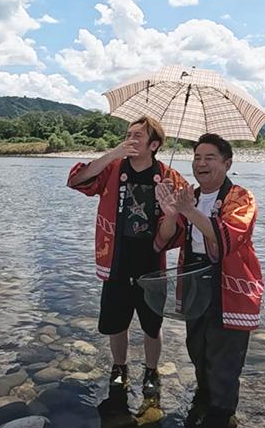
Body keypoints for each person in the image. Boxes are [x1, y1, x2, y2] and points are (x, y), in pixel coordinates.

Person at [68, 116, 187, 395]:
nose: (130, 139)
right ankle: (119, 368)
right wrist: (113, 153)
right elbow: (77, 179)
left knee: (152, 325)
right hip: (116, 261)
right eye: (128, 134)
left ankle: (151, 370)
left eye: (137, 136)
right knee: (115, 323)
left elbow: (173, 232)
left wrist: (170, 212)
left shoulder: (169, 178)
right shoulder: (112, 168)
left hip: (151, 264)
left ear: (154, 145)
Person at [154, 133, 264, 428]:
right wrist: (170, 213)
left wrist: (190, 211)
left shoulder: (241, 197)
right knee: (197, 345)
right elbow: (165, 239)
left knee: (225, 353)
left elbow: (229, 235)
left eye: (210, 157)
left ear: (227, 163)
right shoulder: (187, 193)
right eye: (197, 157)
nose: (201, 163)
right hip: (194, 277)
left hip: (229, 283)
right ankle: (203, 396)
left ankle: (221, 414)